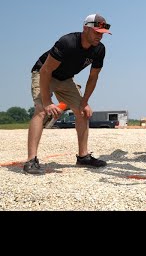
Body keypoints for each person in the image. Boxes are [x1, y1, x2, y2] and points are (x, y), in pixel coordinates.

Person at [24, 14, 112, 175]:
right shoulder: (68, 42)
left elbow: (93, 77)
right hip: (44, 74)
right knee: (41, 110)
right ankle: (31, 160)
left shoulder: (99, 49)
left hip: (65, 79)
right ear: (85, 29)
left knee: (82, 112)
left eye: (102, 33)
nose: (100, 36)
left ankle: (83, 156)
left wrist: (85, 101)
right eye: (96, 32)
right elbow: (46, 71)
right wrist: (47, 100)